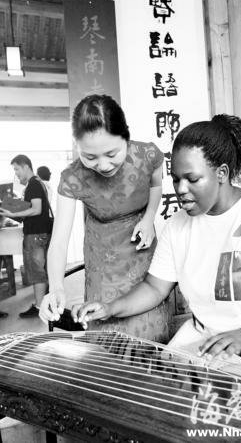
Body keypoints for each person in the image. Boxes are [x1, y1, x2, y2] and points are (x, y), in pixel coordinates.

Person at [71, 114, 241, 387]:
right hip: (203, 344)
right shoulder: (178, 226)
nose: (181, 190)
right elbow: (155, 289)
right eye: (176, 179)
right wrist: (110, 307)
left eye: (192, 179)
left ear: (222, 173)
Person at [39, 94, 170, 342]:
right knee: (104, 326)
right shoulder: (72, 177)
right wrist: (56, 287)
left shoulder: (147, 155)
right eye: (90, 157)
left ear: (126, 138)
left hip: (141, 249)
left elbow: (155, 186)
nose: (103, 165)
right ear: (77, 146)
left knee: (150, 325)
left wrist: (149, 217)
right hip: (102, 258)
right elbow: (58, 242)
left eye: (112, 153)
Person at [0, 155, 53, 317]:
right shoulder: (36, 183)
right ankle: (41, 304)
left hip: (35, 234)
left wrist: (11, 211)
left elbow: (36, 209)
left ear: (25, 166)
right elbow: (32, 211)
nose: (16, 174)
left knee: (37, 273)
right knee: (40, 271)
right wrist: (12, 212)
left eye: (17, 169)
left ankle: (38, 307)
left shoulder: (33, 185)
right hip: (40, 232)